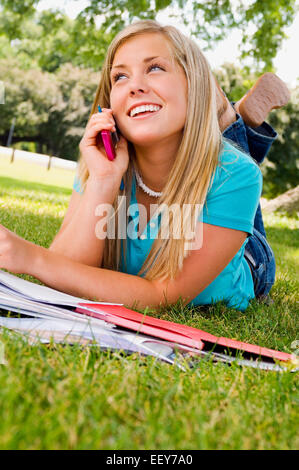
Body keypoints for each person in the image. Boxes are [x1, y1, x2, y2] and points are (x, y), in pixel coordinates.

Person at [0, 20, 290, 312]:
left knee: (228, 162)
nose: (135, 86)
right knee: (220, 156)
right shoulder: (102, 162)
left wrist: (31, 257)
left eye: (154, 68)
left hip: (249, 260)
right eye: (120, 76)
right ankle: (224, 116)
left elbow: (163, 296)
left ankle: (228, 117)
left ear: (194, 83)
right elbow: (64, 273)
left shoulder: (235, 175)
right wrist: (103, 181)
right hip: (204, 169)